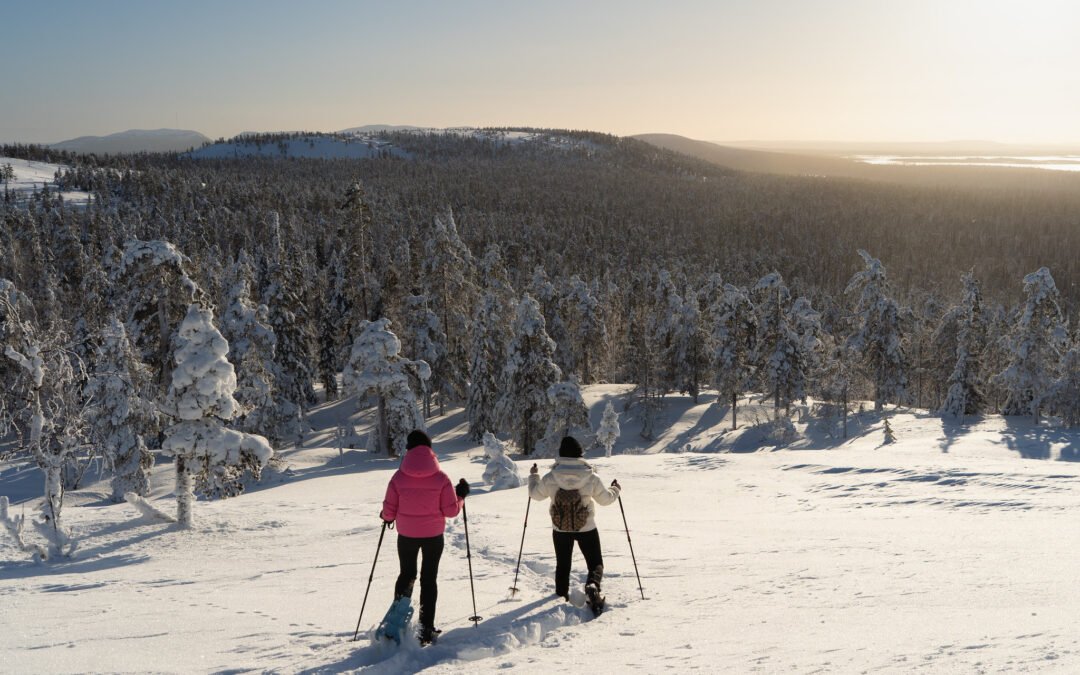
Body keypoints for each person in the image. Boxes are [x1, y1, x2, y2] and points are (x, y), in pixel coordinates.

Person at [380, 430, 470, 645]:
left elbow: (389, 513)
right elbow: (451, 512)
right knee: (429, 580)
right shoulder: (441, 478)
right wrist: (460, 496)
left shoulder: (398, 477)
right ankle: (425, 630)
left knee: (406, 575)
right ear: (430, 450)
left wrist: (384, 515)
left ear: (409, 449)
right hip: (433, 536)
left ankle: (395, 628)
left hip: (407, 536)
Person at [528, 435, 620, 614]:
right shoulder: (591, 476)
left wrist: (534, 476)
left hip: (560, 528)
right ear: (580, 454)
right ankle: (593, 584)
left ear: (561, 454)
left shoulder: (550, 476)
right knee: (595, 563)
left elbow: (535, 495)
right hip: (586, 527)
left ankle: (560, 595)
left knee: (563, 564)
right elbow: (606, 500)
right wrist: (616, 489)